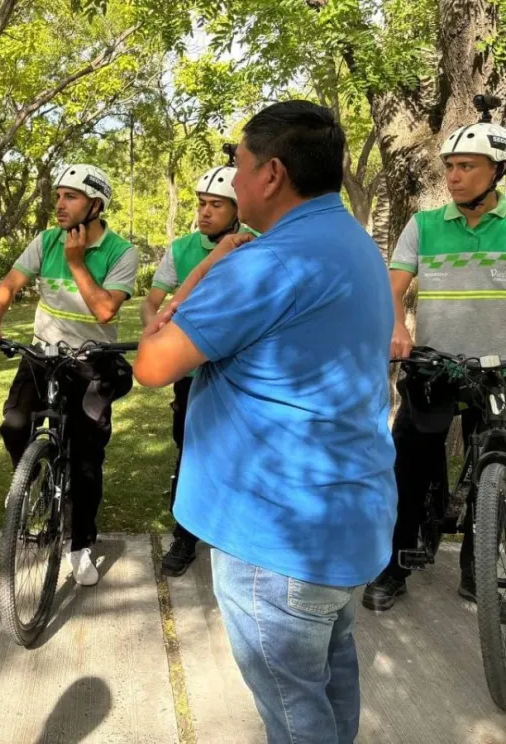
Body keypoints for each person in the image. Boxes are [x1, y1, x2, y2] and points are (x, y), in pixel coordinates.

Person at [133, 101, 396, 744]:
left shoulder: (267, 264)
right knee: (331, 678)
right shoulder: (354, 244)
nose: (236, 180)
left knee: (292, 708)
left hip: (274, 535)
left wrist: (185, 290)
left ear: (272, 173)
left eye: (240, 166)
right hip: (347, 516)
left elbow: (152, 365)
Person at [362, 108, 506, 612]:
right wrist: (397, 328)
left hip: (499, 371)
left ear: (498, 171)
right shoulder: (423, 225)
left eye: (466, 166)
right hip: (433, 366)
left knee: (498, 467)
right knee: (409, 468)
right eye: (450, 166)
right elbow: (392, 288)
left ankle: (479, 570)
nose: (453, 176)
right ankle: (394, 565)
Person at [0, 164, 137, 587]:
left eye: (71, 197)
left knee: (86, 460)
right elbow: (9, 285)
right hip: (42, 355)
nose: (59, 205)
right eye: (59, 195)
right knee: (14, 425)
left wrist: (76, 263)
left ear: (96, 205)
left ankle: (80, 544)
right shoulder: (45, 240)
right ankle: (32, 480)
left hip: (91, 363)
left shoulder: (122, 252)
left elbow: (105, 310)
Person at [141, 155, 259, 578]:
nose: (205, 212)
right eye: (201, 203)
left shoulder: (256, 245)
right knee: (190, 451)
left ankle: (237, 533)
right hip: (191, 374)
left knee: (240, 451)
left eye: (217, 205)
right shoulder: (182, 249)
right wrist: (154, 332)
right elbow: (154, 301)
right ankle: (185, 536)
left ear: (237, 210)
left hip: (239, 374)